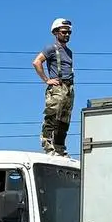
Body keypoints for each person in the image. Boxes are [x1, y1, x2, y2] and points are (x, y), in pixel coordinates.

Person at [32, 17, 74, 156]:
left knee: (64, 119)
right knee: (52, 116)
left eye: (69, 32)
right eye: (64, 32)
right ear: (56, 32)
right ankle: (48, 146)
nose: (67, 35)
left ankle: (60, 148)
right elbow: (37, 62)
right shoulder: (51, 48)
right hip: (57, 87)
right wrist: (46, 80)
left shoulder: (69, 52)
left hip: (69, 87)